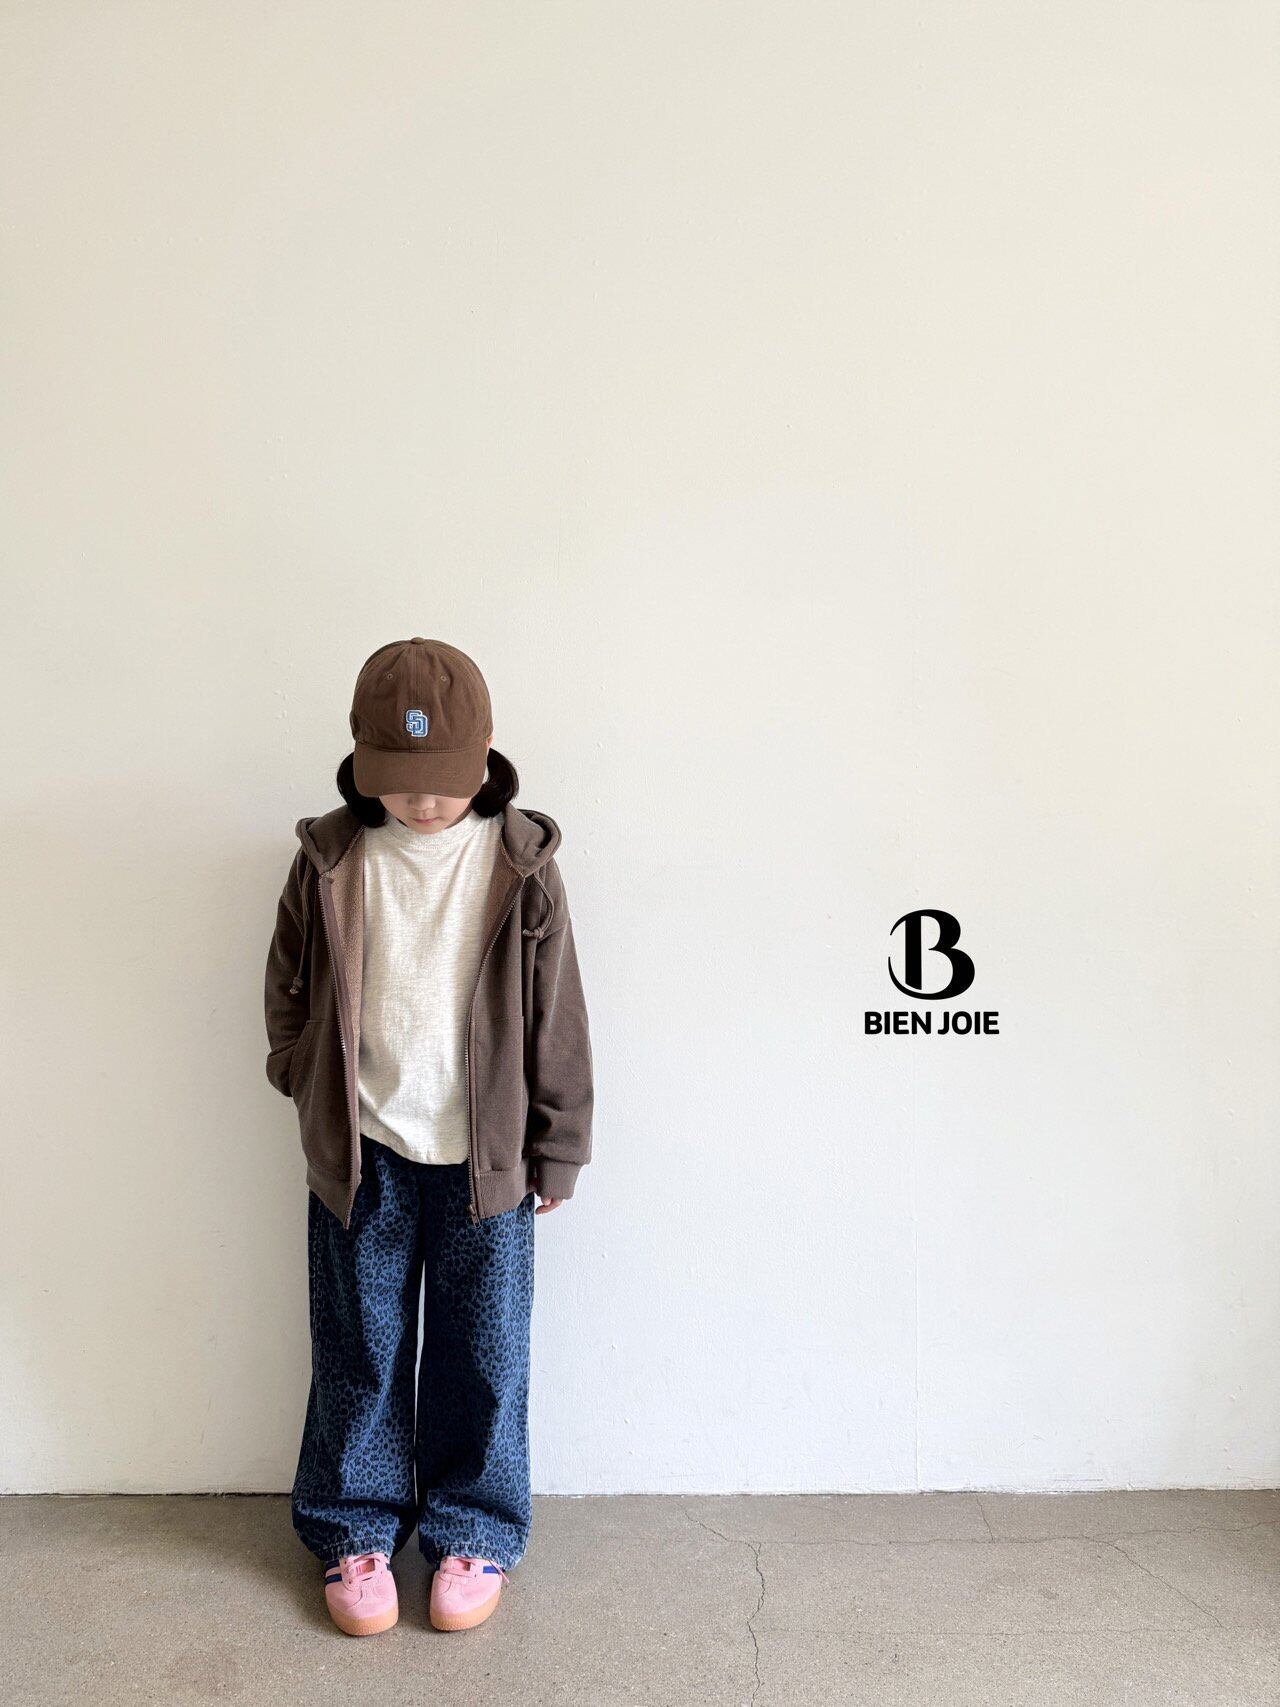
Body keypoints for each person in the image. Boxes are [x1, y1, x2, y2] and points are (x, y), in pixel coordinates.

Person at [263, 636, 594, 1636]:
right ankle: (354, 1530)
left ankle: (472, 1529)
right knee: (358, 1354)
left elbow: (557, 1017)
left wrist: (558, 1144)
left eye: (444, 779)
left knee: (482, 1357)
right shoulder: (332, 857)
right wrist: (301, 1072)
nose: (423, 801)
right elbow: (286, 983)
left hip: (488, 1161)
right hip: (362, 1153)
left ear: (485, 755)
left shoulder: (520, 862)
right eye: (400, 779)